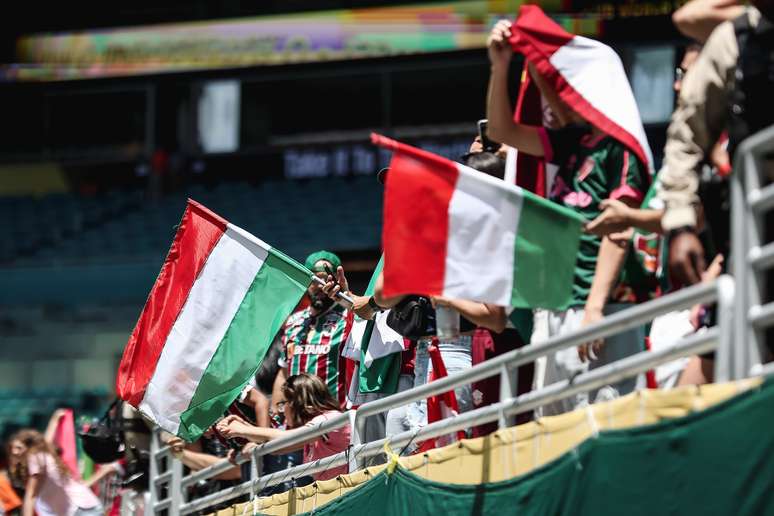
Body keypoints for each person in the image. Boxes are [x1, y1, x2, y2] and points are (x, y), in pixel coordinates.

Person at [487, 11, 651, 414]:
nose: (558, 94)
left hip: (603, 309)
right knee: (558, 427)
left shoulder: (621, 149)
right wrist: (502, 64)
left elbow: (618, 230)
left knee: (604, 421)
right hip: (561, 306)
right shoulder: (571, 144)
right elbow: (502, 131)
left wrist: (595, 309)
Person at [218, 373, 351, 481]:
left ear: (296, 403)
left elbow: (287, 438)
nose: (282, 410)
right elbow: (277, 448)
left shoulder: (329, 419)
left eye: (283, 403)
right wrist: (244, 428)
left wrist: (243, 430)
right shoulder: (316, 431)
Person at [272, 250, 354, 410]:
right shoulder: (293, 322)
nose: (320, 286)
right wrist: (275, 413)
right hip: (296, 418)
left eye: (326, 279)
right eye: (315, 279)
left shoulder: (349, 318)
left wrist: (348, 300)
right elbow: (284, 372)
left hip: (334, 417)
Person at [8, 428, 102, 516]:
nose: (14, 452)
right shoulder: (43, 455)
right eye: (12, 448)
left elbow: (31, 495)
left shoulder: (35, 458)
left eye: (19, 448)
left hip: (81, 509)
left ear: (29, 447)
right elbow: (47, 439)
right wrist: (54, 420)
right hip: (83, 507)